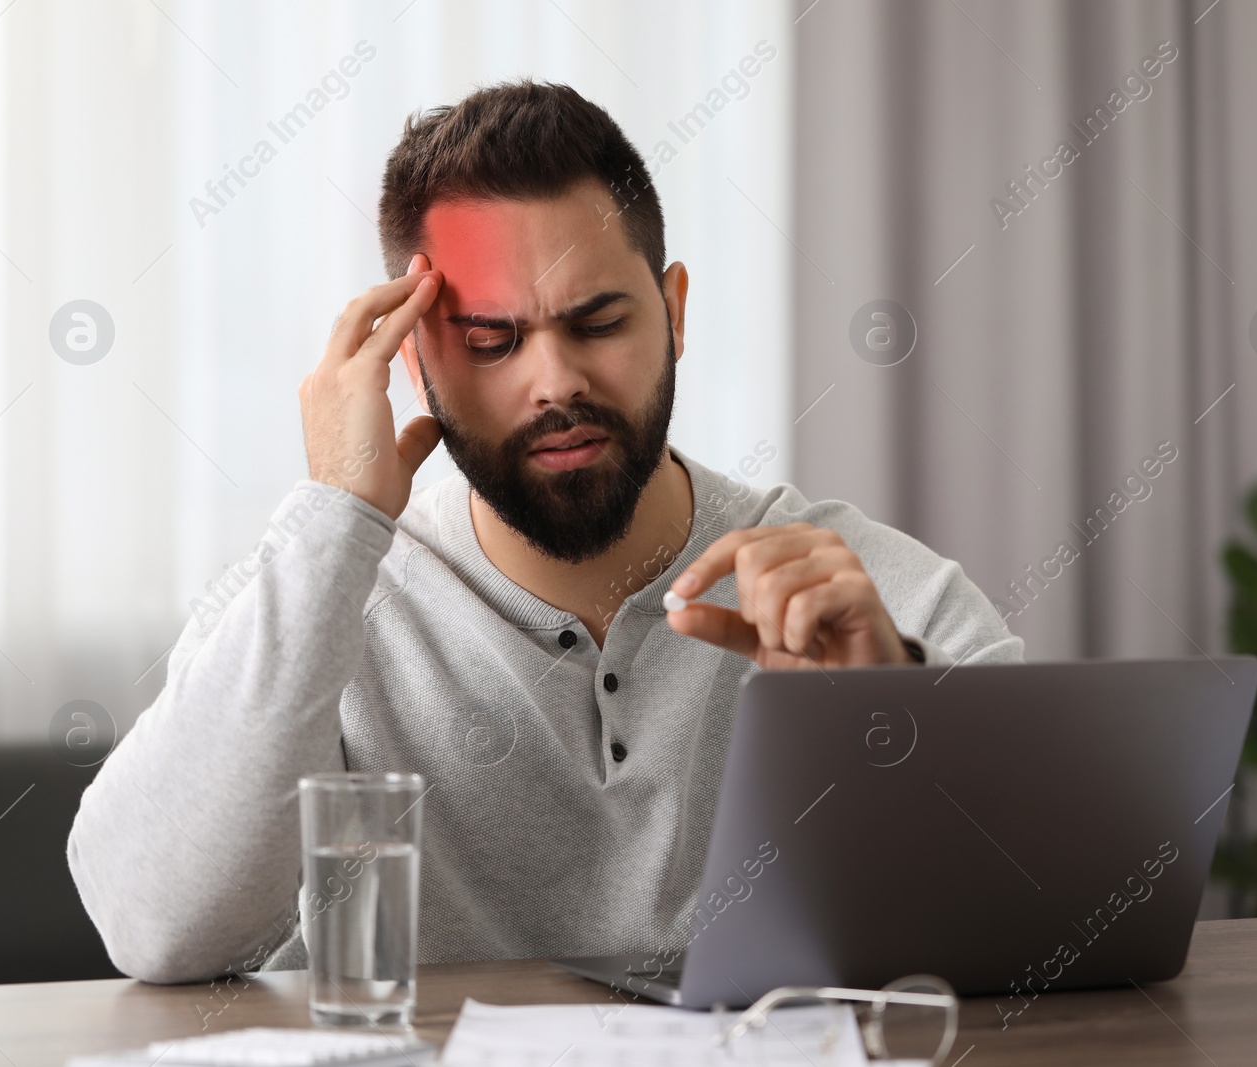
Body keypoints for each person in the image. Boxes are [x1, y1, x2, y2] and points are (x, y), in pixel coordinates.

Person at [67, 80, 1021, 984]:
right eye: (492, 342)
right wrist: (334, 518)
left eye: (598, 321)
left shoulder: (876, 597)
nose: (555, 381)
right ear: (412, 363)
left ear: (674, 312)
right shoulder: (320, 589)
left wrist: (888, 719)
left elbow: (1050, 926)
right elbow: (155, 928)